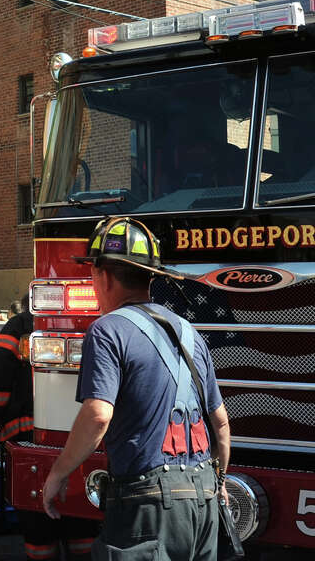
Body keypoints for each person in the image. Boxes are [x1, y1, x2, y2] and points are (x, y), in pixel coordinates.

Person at [41, 217, 231, 561]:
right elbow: (220, 423)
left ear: (103, 275)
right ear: (150, 277)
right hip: (204, 497)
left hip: (147, 503)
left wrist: (57, 474)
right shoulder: (189, 332)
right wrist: (218, 485)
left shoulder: (107, 330)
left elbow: (98, 415)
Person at [0, 303, 98, 561]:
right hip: (84, 442)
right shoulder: (99, 325)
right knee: (82, 510)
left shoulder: (19, 326)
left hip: (30, 442)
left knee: (37, 516)